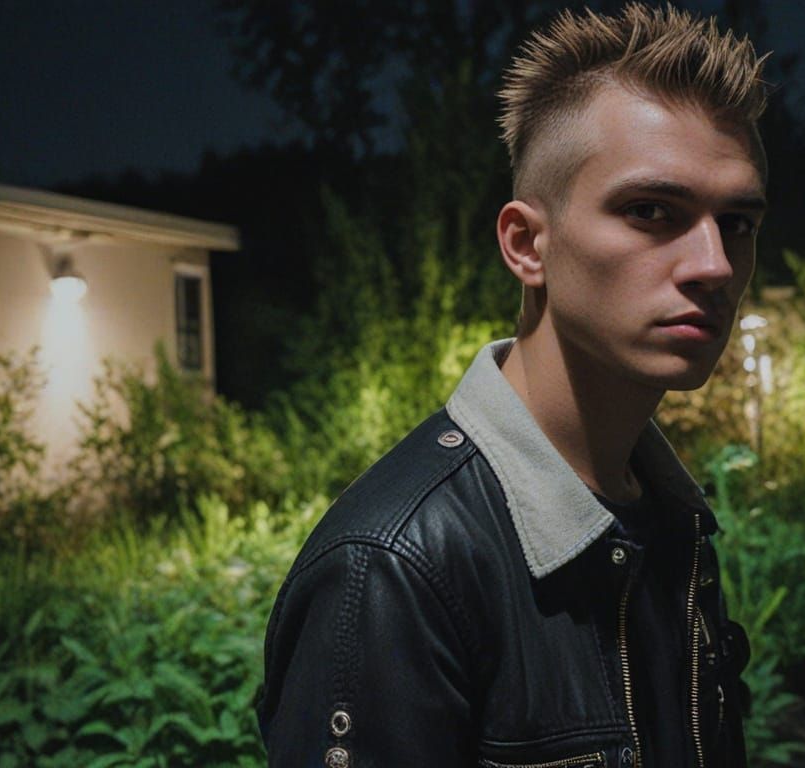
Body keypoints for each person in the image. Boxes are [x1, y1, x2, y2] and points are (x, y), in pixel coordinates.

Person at [256, 4, 768, 766]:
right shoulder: (395, 569)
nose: (714, 265)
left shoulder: (670, 522)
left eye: (735, 223)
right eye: (652, 211)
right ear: (527, 244)